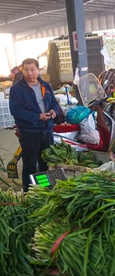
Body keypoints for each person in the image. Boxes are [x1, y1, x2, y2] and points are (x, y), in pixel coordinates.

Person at [9, 58, 60, 191]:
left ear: (38, 70)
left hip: (46, 130)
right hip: (29, 132)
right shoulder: (16, 89)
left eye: (32, 69)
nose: (30, 73)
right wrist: (38, 117)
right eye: (26, 70)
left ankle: (44, 190)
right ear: (22, 70)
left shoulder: (46, 86)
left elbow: (54, 102)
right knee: (30, 164)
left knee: (46, 162)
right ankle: (29, 192)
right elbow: (16, 110)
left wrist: (54, 111)